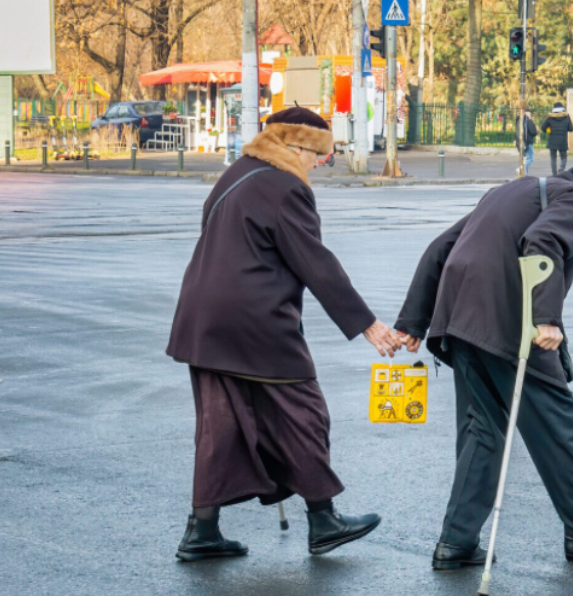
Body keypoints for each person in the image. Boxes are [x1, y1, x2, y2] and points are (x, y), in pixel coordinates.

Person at [166, 107, 401, 562]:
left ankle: (203, 530)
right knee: (303, 413)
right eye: (320, 156)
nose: (319, 165)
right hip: (253, 322)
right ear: (297, 148)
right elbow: (314, 261)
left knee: (219, 426)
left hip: (203, 320)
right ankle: (324, 519)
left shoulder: (237, 172)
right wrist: (367, 324)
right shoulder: (285, 186)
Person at [394, 161, 573, 570]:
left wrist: (413, 321)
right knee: (557, 418)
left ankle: (456, 543)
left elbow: (441, 248)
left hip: (459, 323)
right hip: (508, 323)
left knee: (483, 429)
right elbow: (544, 240)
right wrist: (545, 318)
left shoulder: (509, 191)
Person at [541, 102, 573, 175]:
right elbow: (571, 129)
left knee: (553, 158)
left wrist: (549, 128)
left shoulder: (550, 118)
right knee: (564, 157)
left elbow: (543, 128)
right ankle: (561, 168)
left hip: (552, 141)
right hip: (563, 141)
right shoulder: (566, 117)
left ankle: (554, 174)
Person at [517, 108, 538, 176]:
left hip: (520, 143)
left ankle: (525, 174)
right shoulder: (529, 121)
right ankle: (520, 168)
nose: (531, 115)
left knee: (525, 158)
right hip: (528, 142)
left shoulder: (519, 121)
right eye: (530, 113)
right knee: (530, 159)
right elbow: (534, 132)